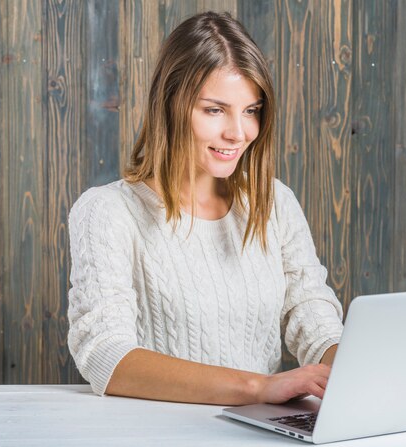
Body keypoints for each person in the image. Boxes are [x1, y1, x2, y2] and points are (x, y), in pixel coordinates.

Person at [67, 11, 343, 406]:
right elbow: (107, 356)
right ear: (171, 104)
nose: (238, 132)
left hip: (253, 432)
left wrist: (348, 372)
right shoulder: (108, 213)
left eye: (251, 110)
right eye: (215, 110)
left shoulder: (274, 201)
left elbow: (311, 315)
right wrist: (258, 387)